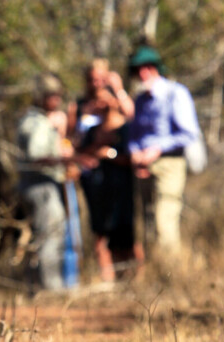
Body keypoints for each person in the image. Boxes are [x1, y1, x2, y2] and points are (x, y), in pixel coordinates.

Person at [127, 45, 201, 257]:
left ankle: (172, 274)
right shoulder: (140, 100)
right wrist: (135, 153)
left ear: (156, 68)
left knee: (164, 219)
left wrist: (157, 149)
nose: (143, 73)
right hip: (143, 167)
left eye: (147, 68)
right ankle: (154, 271)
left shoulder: (175, 93)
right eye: (138, 69)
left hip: (170, 164)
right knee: (147, 222)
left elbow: (189, 133)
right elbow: (134, 135)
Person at [78, 88, 144, 283]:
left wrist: (110, 154)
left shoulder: (126, 128)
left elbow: (132, 158)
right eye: (97, 101)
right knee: (101, 235)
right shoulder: (91, 130)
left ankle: (136, 280)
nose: (101, 105)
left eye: (104, 100)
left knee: (126, 236)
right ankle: (108, 282)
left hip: (121, 190)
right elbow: (82, 153)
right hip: (97, 190)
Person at [16, 74, 75, 290]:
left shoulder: (33, 119)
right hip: (41, 185)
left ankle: (37, 287)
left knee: (41, 236)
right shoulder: (38, 122)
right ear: (40, 97)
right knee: (50, 236)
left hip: (38, 184)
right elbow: (35, 154)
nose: (56, 99)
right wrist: (65, 159)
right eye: (51, 95)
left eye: (57, 95)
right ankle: (50, 289)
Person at [69, 59, 135, 140]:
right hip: (86, 150)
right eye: (92, 79)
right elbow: (70, 136)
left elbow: (131, 114)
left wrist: (119, 88)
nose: (97, 84)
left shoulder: (115, 103)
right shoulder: (78, 106)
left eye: (102, 80)